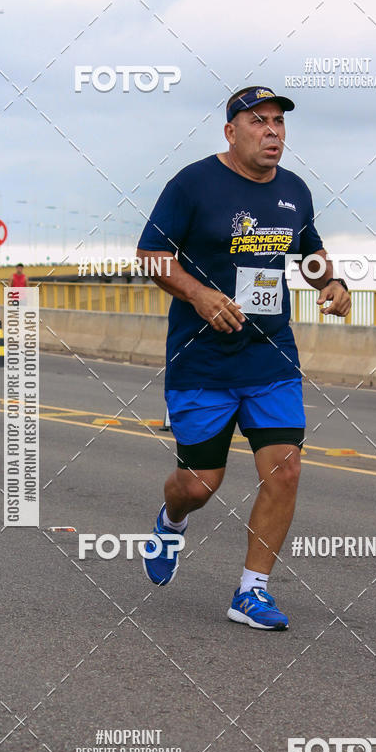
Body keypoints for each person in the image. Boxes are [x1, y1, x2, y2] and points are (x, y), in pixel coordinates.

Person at [137, 85, 351, 630]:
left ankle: (252, 591)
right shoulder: (192, 184)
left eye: (278, 121)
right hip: (202, 359)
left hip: (269, 355)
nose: (272, 131)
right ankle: (170, 521)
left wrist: (331, 281)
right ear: (231, 132)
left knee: (286, 468)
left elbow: (308, 250)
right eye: (258, 121)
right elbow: (150, 255)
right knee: (200, 484)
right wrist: (199, 295)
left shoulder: (294, 191)